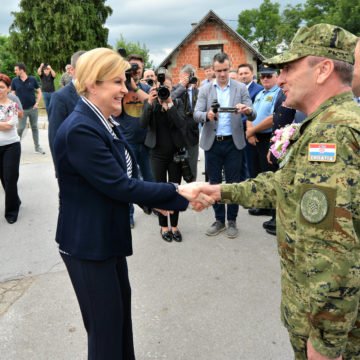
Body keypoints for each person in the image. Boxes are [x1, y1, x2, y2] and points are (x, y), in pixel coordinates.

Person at [189, 24, 360, 360]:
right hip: (311, 317)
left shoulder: (335, 135)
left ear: (324, 69)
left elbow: (333, 254)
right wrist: (218, 190)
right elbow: (281, 186)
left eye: (289, 68)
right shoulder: (324, 124)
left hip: (323, 331)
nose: (281, 79)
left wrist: (325, 344)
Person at [53, 48, 209, 360]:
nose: (125, 89)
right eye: (117, 82)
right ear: (92, 84)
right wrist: (176, 193)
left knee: (119, 321)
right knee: (106, 333)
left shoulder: (101, 120)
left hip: (105, 238)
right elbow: (119, 185)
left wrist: (153, 201)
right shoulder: (81, 128)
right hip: (88, 244)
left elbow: (121, 174)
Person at [194, 52, 255, 238]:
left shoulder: (240, 88)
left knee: (233, 183)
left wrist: (247, 110)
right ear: (213, 70)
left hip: (233, 143)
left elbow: (253, 114)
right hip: (212, 143)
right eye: (218, 70)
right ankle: (219, 219)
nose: (221, 74)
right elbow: (196, 113)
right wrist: (207, 116)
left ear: (230, 68)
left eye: (225, 70)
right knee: (214, 183)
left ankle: (232, 221)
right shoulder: (205, 89)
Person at [140, 74, 188, 242]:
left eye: (167, 88)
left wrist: (170, 106)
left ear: (172, 88)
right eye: (161, 88)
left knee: (175, 190)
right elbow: (142, 124)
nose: (163, 91)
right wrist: (150, 102)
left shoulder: (178, 102)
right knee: (159, 191)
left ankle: (174, 226)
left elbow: (182, 124)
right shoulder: (151, 104)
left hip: (175, 154)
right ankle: (163, 226)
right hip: (156, 154)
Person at [118, 54, 153, 228]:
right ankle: (129, 214)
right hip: (127, 141)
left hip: (146, 141)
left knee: (149, 177)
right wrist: (127, 86)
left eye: (138, 67)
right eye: (131, 67)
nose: (135, 70)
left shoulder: (146, 87)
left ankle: (153, 205)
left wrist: (135, 88)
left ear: (142, 69)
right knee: (129, 180)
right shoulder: (120, 88)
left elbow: (152, 104)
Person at [48, 50, 86, 161]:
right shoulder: (60, 97)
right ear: (72, 70)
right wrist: (60, 172)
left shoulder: (97, 93)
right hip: (73, 165)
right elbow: (55, 138)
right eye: (83, 67)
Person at [171, 64, 199, 180]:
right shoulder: (174, 90)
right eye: (184, 77)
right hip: (176, 136)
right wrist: (182, 86)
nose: (187, 79)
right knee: (176, 171)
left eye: (189, 76)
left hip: (192, 135)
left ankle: (193, 193)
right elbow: (170, 99)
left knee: (192, 169)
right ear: (180, 76)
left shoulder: (198, 92)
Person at [0, 74, 21, 224]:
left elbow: (9, 125)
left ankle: (11, 211)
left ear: (8, 88)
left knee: (10, 179)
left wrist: (5, 124)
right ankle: (16, 200)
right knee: (3, 180)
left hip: (11, 146)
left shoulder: (12, 105)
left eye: (1, 87)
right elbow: (4, 124)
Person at [11, 63, 45, 154]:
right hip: (21, 110)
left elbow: (39, 91)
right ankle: (15, 147)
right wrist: (15, 105)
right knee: (20, 128)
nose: (15, 71)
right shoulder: (14, 80)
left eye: (16, 70)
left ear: (22, 70)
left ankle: (37, 147)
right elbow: (12, 94)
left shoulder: (32, 79)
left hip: (33, 109)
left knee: (34, 127)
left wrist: (37, 103)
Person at [238, 63, 264, 180]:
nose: (243, 76)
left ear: (252, 74)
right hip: (236, 133)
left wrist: (250, 131)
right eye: (241, 74)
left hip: (250, 131)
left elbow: (255, 112)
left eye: (246, 73)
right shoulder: (236, 89)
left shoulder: (259, 90)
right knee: (240, 164)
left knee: (251, 164)